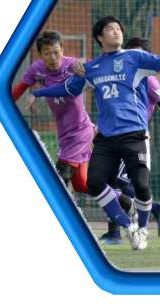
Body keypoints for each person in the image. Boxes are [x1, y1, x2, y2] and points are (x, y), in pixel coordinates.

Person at [26, 16, 160, 251]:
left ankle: (143, 229)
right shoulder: (92, 68)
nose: (117, 32)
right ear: (100, 37)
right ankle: (128, 226)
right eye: (111, 29)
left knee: (141, 186)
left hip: (134, 134)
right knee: (95, 183)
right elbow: (67, 88)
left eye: (118, 28)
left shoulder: (135, 57)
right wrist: (37, 93)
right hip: (106, 138)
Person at [13, 30, 134, 216]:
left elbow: (102, 67)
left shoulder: (73, 65)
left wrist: (86, 61)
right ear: (40, 54)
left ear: (62, 50)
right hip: (65, 133)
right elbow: (17, 91)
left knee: (57, 181)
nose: (53, 57)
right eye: (47, 53)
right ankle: (127, 201)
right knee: (81, 185)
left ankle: (64, 220)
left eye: (56, 51)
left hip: (80, 131)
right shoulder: (36, 69)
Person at [89, 37, 160, 244]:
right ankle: (120, 230)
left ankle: (151, 213)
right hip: (116, 136)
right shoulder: (120, 73)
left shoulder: (149, 78)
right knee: (111, 182)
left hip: (134, 138)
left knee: (117, 183)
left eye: (139, 54)